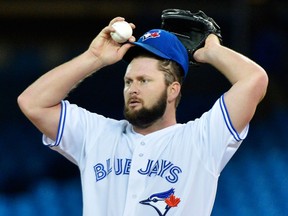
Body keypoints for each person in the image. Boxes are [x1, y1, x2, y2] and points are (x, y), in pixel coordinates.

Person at [17, 16, 268, 216]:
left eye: (144, 80)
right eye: (128, 81)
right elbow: (32, 102)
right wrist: (93, 58)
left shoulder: (201, 140)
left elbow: (254, 80)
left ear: (173, 90)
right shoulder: (97, 135)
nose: (133, 89)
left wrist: (211, 50)